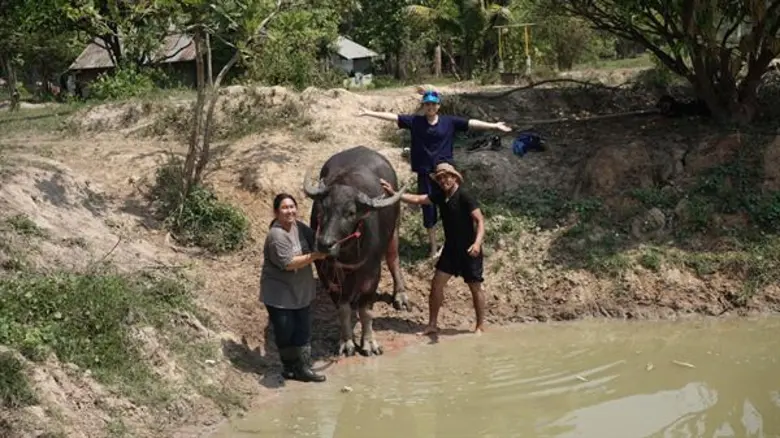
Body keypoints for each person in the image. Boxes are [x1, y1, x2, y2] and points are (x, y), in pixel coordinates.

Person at [359, 87, 511, 258]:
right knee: (428, 210)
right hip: (425, 172)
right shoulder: (416, 122)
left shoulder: (449, 122)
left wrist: (494, 125)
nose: (430, 107)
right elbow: (394, 117)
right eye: (427, 104)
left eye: (433, 104)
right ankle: (433, 247)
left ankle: (458, 241)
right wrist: (369, 112)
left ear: (438, 106)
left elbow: (471, 123)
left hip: (446, 174)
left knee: (453, 207)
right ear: (423, 106)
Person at [380, 162, 486, 335]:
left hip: (469, 250)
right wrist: (395, 194)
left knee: (475, 287)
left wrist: (477, 244)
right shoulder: (440, 195)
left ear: (454, 177)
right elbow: (419, 199)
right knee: (436, 284)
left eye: (446, 177)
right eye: (440, 178)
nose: (443, 180)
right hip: (451, 249)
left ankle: (480, 325)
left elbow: (480, 221)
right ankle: (432, 324)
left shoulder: (465, 195)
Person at [260, 193, 329, 382]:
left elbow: (317, 239)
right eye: (284, 208)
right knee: (285, 331)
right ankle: (290, 368)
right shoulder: (276, 235)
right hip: (279, 294)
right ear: (276, 212)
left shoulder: (299, 228)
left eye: (292, 207)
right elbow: (289, 263)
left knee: (303, 330)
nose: (289, 211)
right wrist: (315, 256)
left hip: (301, 291)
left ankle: (302, 368)